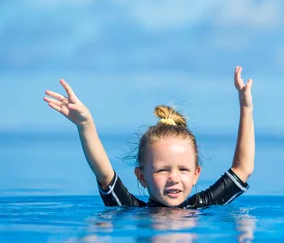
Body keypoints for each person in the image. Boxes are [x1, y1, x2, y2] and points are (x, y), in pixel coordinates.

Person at [43, 66, 254, 208]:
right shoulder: (132, 210)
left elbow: (243, 170)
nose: (174, 178)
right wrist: (85, 124)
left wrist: (246, 108)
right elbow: (104, 173)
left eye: (183, 169)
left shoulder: (202, 206)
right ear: (141, 176)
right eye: (162, 170)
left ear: (196, 174)